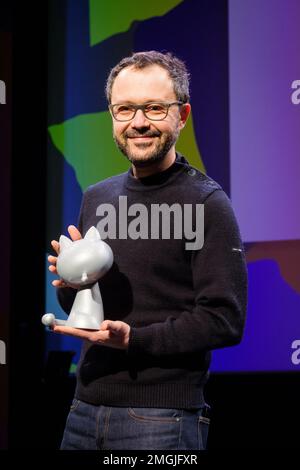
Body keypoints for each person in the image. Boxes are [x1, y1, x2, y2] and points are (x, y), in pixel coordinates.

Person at [48, 51, 248, 450]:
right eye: (124, 109)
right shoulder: (97, 197)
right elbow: (91, 307)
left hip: (161, 417)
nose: (138, 122)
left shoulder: (206, 202)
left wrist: (134, 340)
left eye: (154, 108)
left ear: (182, 115)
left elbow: (224, 319)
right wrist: (70, 282)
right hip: (83, 408)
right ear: (112, 117)